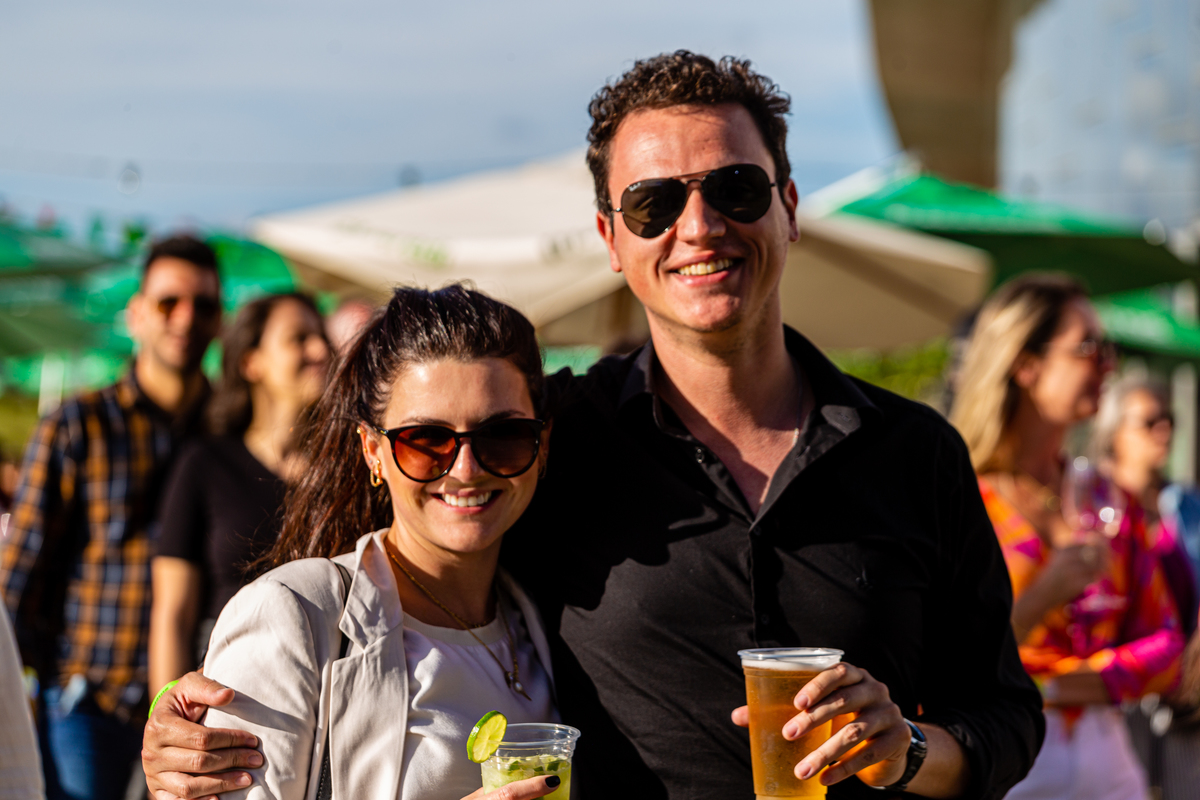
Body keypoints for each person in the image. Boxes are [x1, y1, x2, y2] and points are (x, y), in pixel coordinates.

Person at [143, 52, 1044, 800]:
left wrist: (911, 749)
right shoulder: (544, 434)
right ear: (613, 241)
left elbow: (1005, 717)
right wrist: (194, 725)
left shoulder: (914, 452)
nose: (699, 226)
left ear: (789, 206)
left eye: (735, 187)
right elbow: (388, 572)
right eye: (655, 204)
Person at [176, 284, 562, 800]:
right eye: (426, 441)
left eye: (504, 436)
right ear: (373, 451)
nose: (466, 469)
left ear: (542, 446)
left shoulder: (541, 618)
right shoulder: (295, 613)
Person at [1, 234, 221, 800]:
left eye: (205, 305)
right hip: (87, 701)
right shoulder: (78, 425)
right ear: (137, 314)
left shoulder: (227, 432)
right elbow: (20, 576)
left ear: (221, 322)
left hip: (197, 710)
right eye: (169, 302)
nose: (186, 318)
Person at [950, 274, 1185, 800]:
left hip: (1108, 752)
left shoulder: (1106, 496)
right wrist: (1043, 595)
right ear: (1025, 364)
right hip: (1005, 758)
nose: (1109, 365)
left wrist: (1057, 684)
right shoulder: (962, 500)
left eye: (1108, 348)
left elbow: (1167, 644)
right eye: (1088, 348)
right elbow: (947, 662)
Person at [148, 293, 331, 696]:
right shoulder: (205, 463)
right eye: (298, 338)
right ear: (251, 362)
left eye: (321, 336)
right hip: (227, 697)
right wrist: (165, 717)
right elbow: (173, 614)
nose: (320, 349)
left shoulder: (346, 471)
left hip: (334, 704)